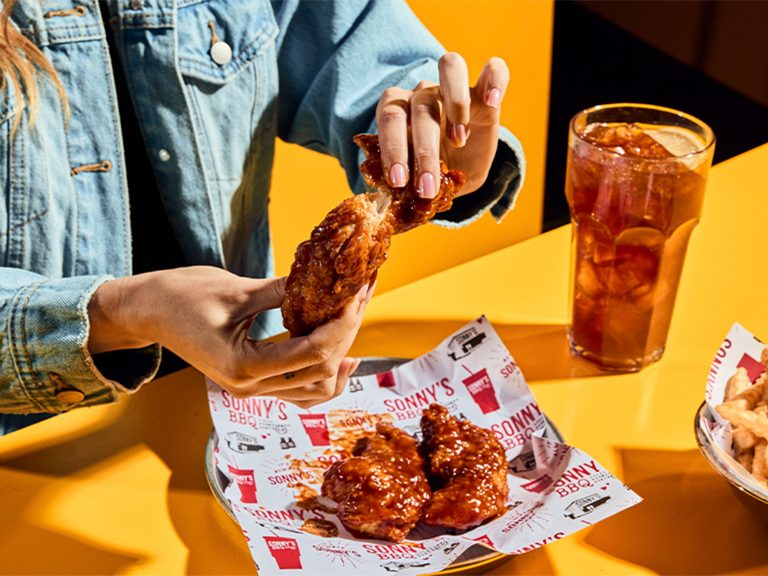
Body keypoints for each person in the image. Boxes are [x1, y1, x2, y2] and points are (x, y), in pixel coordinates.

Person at [0, 0, 524, 434]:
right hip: (30, 444)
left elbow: (354, 42)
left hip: (244, 407)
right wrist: (126, 310)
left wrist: (429, 144)